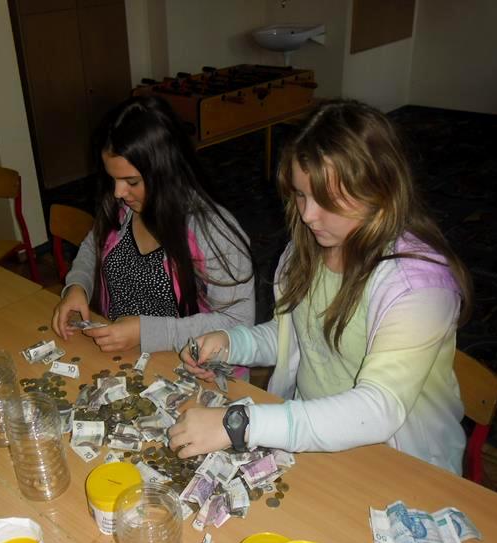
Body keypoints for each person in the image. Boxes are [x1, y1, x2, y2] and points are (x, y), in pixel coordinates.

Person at [169, 99, 473, 475]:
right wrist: (231, 343)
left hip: (401, 462)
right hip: (316, 437)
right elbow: (299, 337)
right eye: (300, 194)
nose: (308, 215)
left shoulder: (419, 288)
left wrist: (242, 423)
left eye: (326, 199)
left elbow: (378, 408)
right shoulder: (308, 251)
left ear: (378, 191)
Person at [51, 95, 255, 354]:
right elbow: (93, 248)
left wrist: (146, 333)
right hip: (123, 354)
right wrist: (77, 286)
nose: (118, 192)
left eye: (132, 182)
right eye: (113, 179)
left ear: (165, 172)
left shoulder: (214, 232)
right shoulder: (122, 207)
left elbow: (238, 323)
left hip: (189, 364)